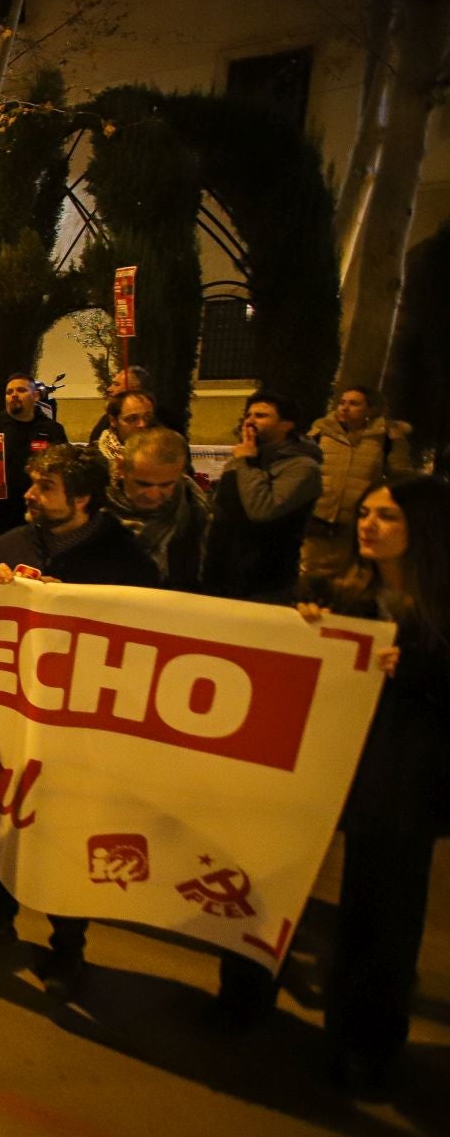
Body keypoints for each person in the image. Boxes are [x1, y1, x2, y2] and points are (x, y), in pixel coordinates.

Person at [0, 445, 159, 1000]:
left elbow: (149, 639)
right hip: (12, 709)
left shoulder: (126, 563)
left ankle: (67, 946)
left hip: (79, 726)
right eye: (31, 485)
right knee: (2, 814)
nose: (29, 496)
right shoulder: (12, 543)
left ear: (83, 499)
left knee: (66, 829)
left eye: (45, 488)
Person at [301, 477, 448, 1098]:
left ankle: (374, 1044)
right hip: (351, 777)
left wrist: (417, 672)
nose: (367, 525)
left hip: (410, 786)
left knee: (389, 920)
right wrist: (306, 627)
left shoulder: (438, 608)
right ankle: (342, 1035)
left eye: (385, 516)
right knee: (353, 915)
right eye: (363, 513)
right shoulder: (348, 593)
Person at [203, 389, 321, 602]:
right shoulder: (243, 457)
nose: (250, 421)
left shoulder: (302, 467)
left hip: (266, 581)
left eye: (261, 416)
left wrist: (248, 463)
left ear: (287, 424)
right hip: (223, 573)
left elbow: (262, 510)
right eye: (248, 415)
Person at [304, 385, 413, 578]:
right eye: (342, 403)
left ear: (371, 409)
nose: (344, 408)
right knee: (309, 572)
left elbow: (400, 477)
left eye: (354, 404)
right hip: (317, 517)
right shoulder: (321, 432)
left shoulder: (387, 437)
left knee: (346, 576)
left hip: (355, 523)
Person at [0, 372, 67, 565]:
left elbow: (65, 471)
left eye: (21, 390)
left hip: (39, 515)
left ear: (35, 396)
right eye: (9, 392)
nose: (14, 395)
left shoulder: (52, 431)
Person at [105, 427, 208, 590]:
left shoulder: (195, 510)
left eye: (166, 485)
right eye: (143, 484)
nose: (153, 495)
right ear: (121, 468)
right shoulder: (90, 505)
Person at [92, 389, 156, 465]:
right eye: (132, 419)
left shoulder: (165, 451)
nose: (142, 424)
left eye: (147, 417)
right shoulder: (94, 461)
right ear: (113, 421)